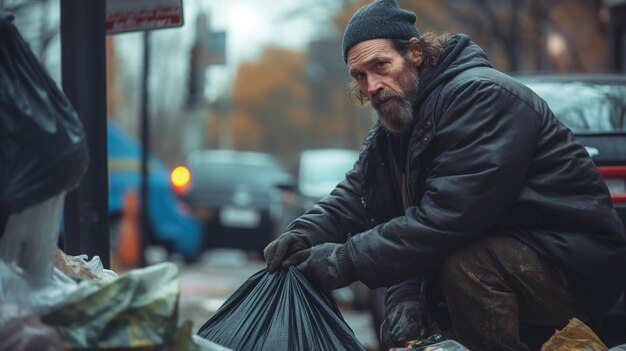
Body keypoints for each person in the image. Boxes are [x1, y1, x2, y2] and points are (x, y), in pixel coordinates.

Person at [263, 0, 626, 349]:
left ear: (416, 53)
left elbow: (447, 218)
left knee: (465, 266)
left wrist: (342, 260)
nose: (371, 85)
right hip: (510, 255)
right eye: (360, 75)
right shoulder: (399, 120)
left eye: (380, 66)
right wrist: (303, 233)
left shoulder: (480, 97)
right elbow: (360, 193)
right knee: (415, 303)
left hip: (574, 266)